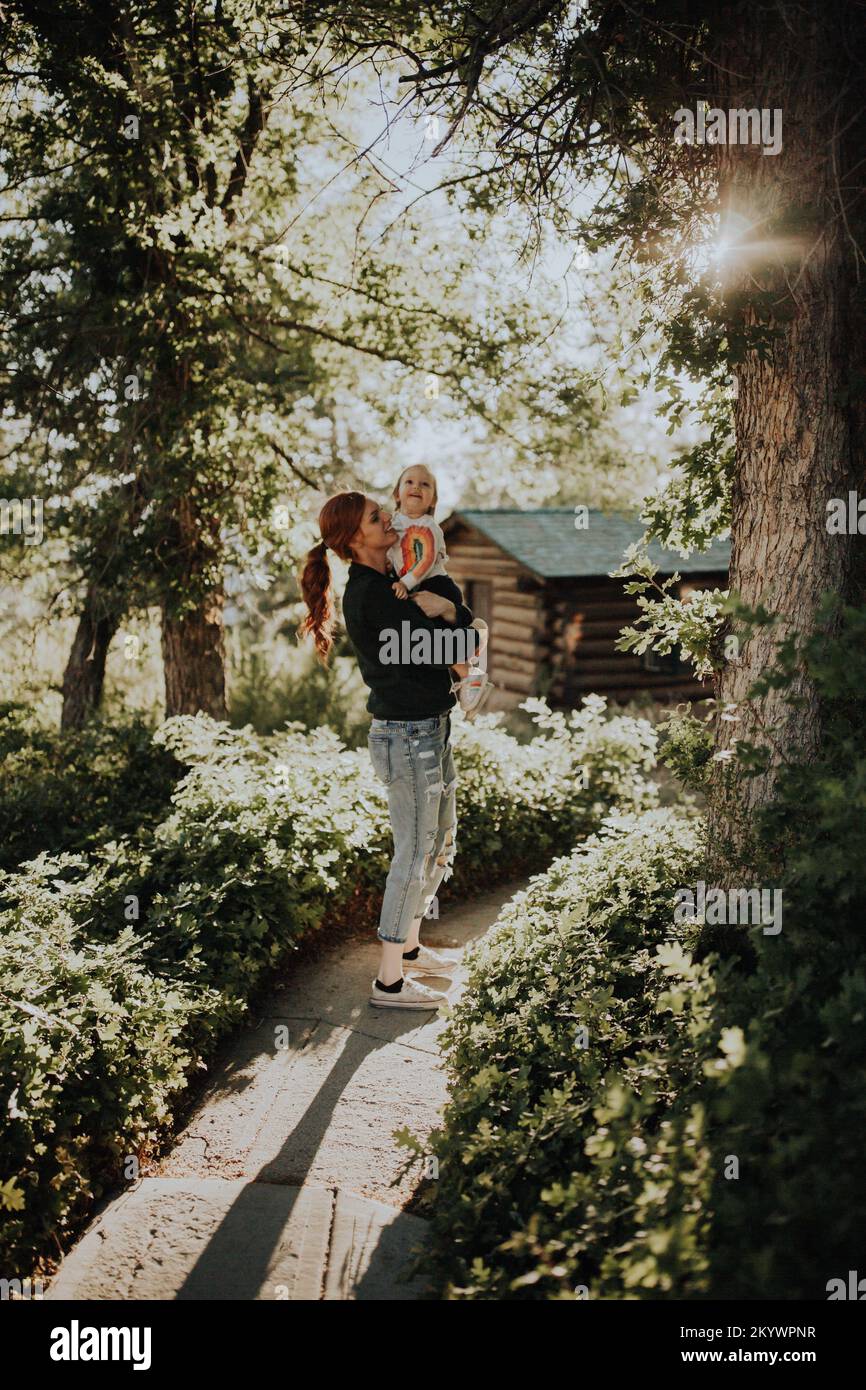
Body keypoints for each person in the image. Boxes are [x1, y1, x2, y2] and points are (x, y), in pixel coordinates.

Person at [298, 490, 473, 1011]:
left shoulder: (391, 586)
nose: (391, 518)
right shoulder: (370, 593)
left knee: (440, 841)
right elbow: (450, 648)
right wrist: (459, 616)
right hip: (407, 735)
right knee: (414, 853)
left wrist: (449, 612)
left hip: (432, 726)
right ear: (356, 539)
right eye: (378, 517)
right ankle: (390, 983)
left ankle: (412, 949)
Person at [387, 464, 491, 714]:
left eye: (425, 484)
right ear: (397, 494)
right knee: (428, 640)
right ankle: (468, 671)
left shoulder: (428, 526)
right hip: (413, 584)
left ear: (433, 500)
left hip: (436, 585)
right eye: (409, 482)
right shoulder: (391, 524)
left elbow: (426, 559)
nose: (416, 487)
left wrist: (405, 583)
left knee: (435, 641)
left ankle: (469, 674)